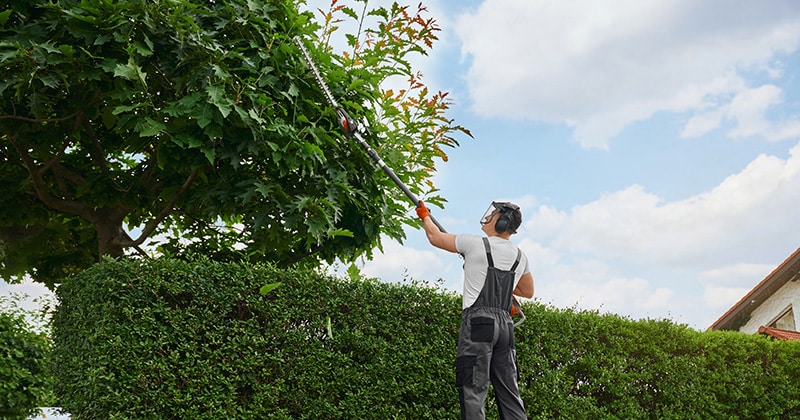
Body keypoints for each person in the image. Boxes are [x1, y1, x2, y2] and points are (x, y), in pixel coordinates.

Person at [416, 200, 534, 420]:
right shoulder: (520, 256)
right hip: (506, 328)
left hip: (479, 322)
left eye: (493, 215)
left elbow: (435, 237)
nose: (488, 217)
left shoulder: (474, 243)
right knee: (510, 392)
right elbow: (527, 291)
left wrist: (425, 215)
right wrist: (504, 289)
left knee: (473, 388)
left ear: (501, 221)